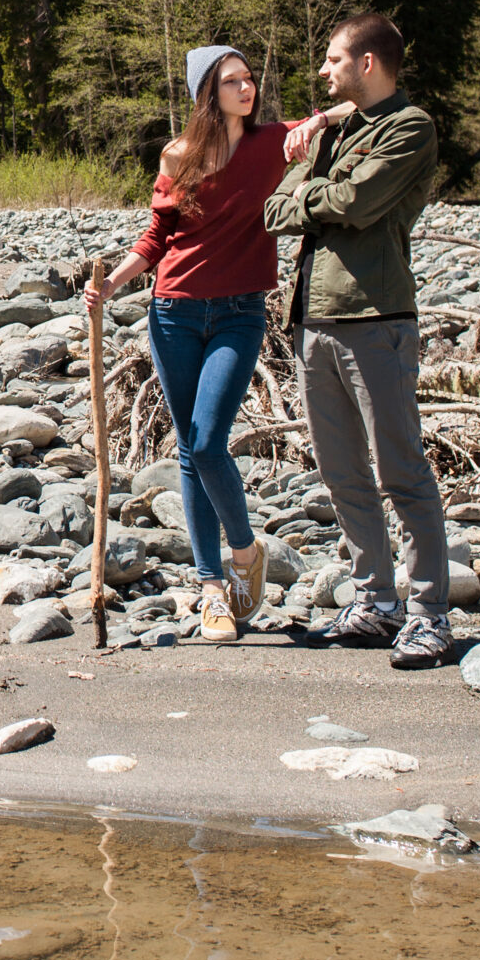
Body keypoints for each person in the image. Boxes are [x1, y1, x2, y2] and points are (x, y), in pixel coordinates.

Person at [85, 44, 341, 644]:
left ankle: (245, 551)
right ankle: (210, 590)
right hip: (173, 312)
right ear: (207, 92)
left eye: (249, 79)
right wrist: (111, 285)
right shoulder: (179, 155)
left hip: (240, 313)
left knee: (206, 441)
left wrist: (319, 122)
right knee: (189, 450)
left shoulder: (273, 143)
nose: (246, 88)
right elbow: (157, 237)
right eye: (232, 81)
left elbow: (351, 108)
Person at [261, 13, 450, 670]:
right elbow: (274, 210)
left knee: (401, 470)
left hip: (375, 318)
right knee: (341, 472)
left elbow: (360, 203)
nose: (324, 70)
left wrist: (318, 192)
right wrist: (322, 180)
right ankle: (376, 601)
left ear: (368, 63)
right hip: (312, 320)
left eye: (334, 59)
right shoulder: (333, 132)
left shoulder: (410, 127)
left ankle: (429, 613)